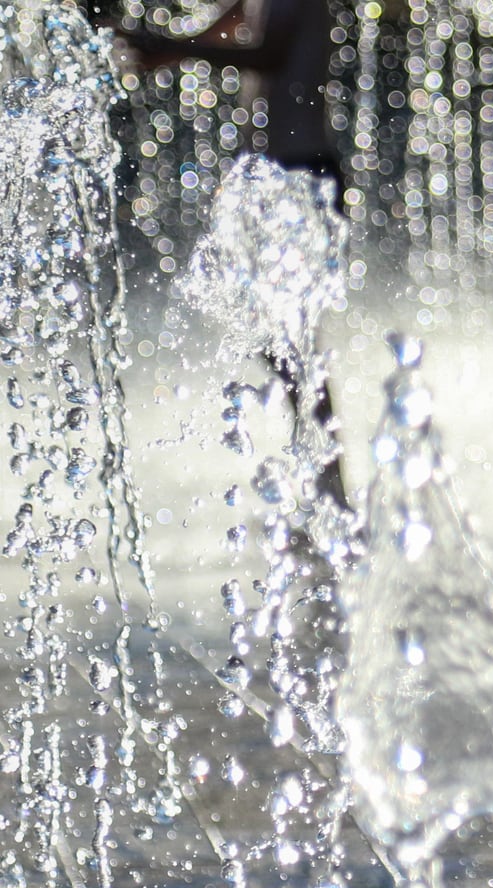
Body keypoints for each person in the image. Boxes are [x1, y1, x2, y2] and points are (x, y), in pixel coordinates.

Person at [112, 0, 349, 511]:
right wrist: (165, 53)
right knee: (278, 338)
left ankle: (332, 491)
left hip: (302, 174)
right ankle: (325, 480)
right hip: (274, 174)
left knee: (293, 337)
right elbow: (231, 27)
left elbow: (268, 54)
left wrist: (175, 47)